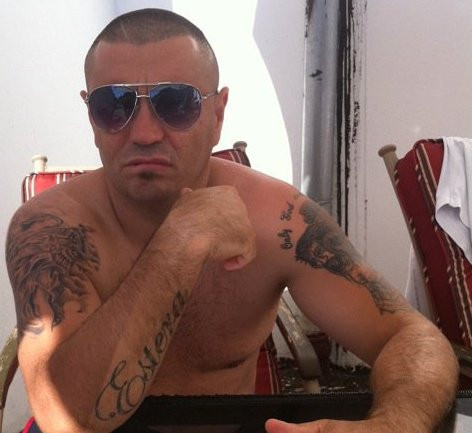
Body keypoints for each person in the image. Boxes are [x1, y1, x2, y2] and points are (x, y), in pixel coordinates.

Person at [5, 8, 458, 433]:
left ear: (218, 114)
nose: (144, 133)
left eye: (176, 103)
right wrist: (179, 243)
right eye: (114, 105)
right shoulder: (51, 229)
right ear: (91, 117)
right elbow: (65, 420)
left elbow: (410, 337)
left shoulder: (278, 220)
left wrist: (393, 424)